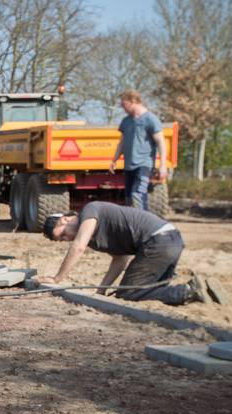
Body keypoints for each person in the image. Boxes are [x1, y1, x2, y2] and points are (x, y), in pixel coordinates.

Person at [37, 202, 221, 306]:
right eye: (62, 240)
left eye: (63, 234)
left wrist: (57, 278)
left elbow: (78, 247)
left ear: (65, 219)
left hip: (159, 242)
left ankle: (188, 291)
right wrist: (101, 290)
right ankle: (203, 291)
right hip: (171, 241)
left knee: (129, 293)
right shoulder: (96, 237)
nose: (67, 239)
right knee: (149, 291)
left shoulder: (89, 211)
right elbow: (120, 259)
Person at [109, 90, 169, 210]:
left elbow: (161, 143)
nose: (122, 107)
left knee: (137, 195)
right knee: (129, 200)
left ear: (133, 101)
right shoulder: (126, 121)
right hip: (128, 166)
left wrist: (163, 166)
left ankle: (142, 221)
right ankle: (134, 222)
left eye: (124, 104)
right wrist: (114, 160)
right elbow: (122, 142)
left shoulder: (150, 119)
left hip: (143, 165)